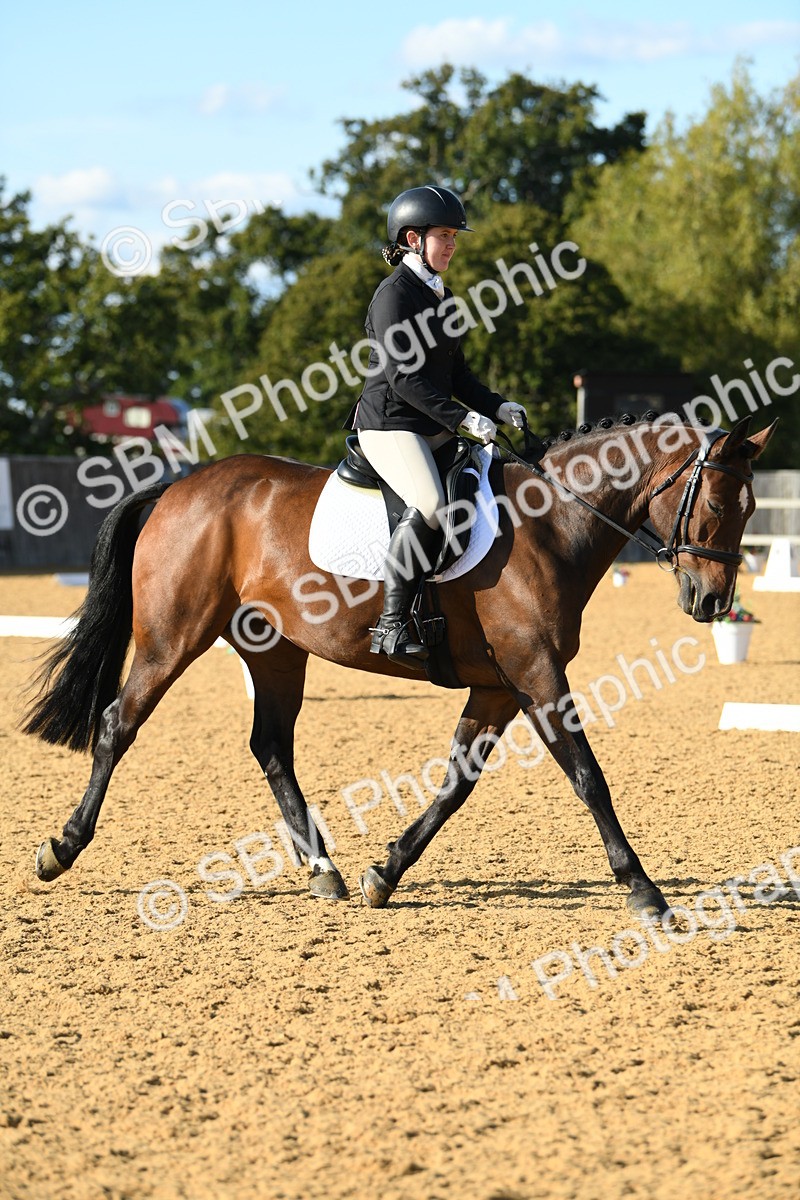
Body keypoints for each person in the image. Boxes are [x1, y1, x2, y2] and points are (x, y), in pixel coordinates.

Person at [346, 184, 528, 669]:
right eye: (444, 235)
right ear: (412, 239)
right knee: (429, 502)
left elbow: (457, 375)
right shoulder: (393, 296)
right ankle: (391, 624)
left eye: (454, 236)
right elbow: (403, 379)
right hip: (391, 424)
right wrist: (463, 419)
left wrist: (496, 405)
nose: (451, 244)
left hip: (431, 421)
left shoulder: (441, 295)